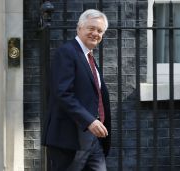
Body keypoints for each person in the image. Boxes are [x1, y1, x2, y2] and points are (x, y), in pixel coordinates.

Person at [42, 9, 111, 171]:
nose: (95, 33)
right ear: (79, 28)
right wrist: (89, 120)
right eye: (91, 28)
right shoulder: (67, 52)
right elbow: (63, 93)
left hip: (92, 140)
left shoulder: (89, 58)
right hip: (70, 139)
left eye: (100, 31)